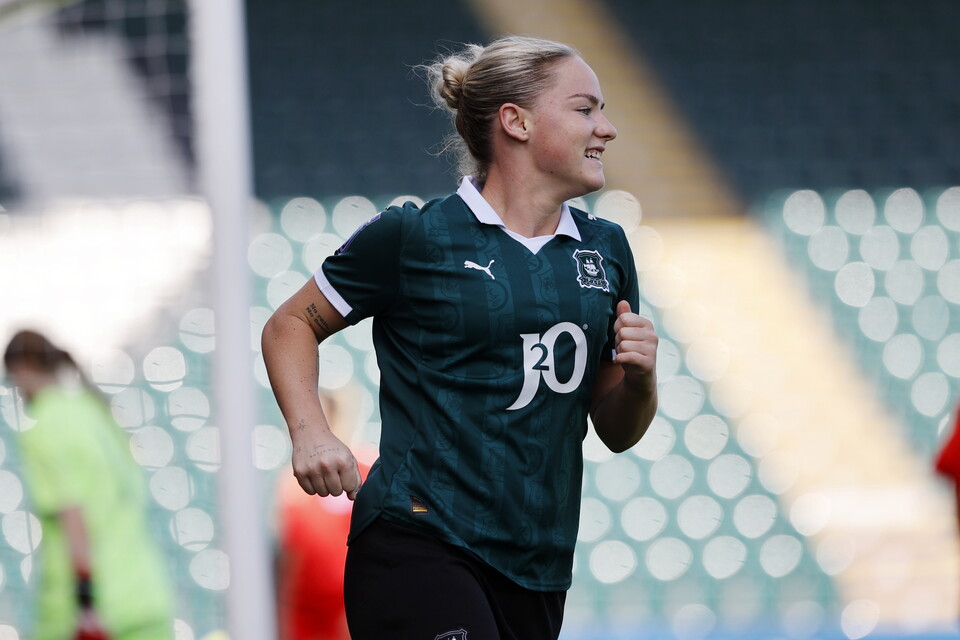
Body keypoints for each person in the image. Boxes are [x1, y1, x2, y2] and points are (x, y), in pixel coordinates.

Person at [261, 35, 659, 640]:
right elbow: (290, 324)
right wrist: (311, 432)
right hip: (419, 538)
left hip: (538, 565)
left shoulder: (606, 250)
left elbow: (615, 429)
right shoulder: (415, 234)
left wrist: (641, 379)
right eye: (585, 109)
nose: (606, 128)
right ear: (515, 121)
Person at [3, 330, 174, 640]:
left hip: (92, 612)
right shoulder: (94, 412)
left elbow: (73, 514)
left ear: (24, 368)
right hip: (145, 598)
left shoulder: (46, 422)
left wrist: (85, 604)